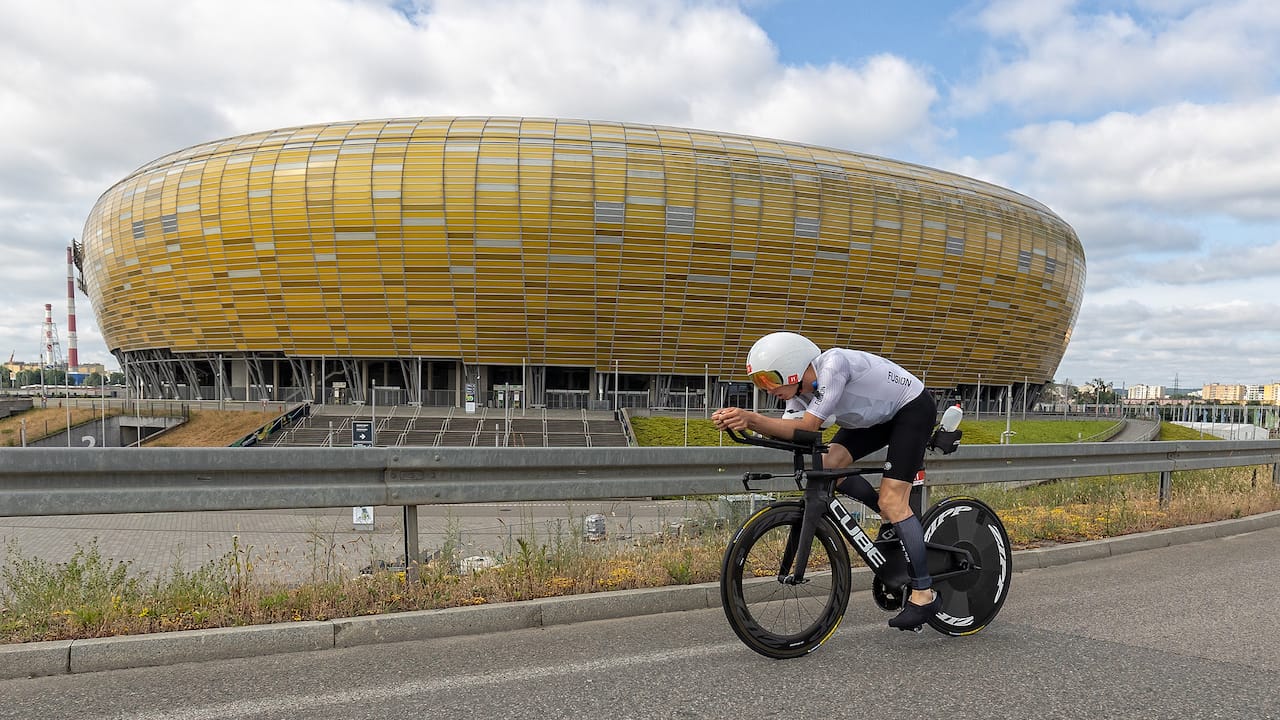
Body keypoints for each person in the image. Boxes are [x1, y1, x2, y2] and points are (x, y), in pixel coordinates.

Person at [711, 331, 940, 630]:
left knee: (893, 499)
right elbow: (794, 432)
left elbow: (807, 426)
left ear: (792, 365)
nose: (767, 389)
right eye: (760, 384)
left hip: (911, 409)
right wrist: (741, 424)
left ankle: (924, 593)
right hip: (874, 419)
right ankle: (887, 514)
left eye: (769, 380)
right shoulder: (799, 394)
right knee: (831, 466)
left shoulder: (833, 365)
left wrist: (751, 419)